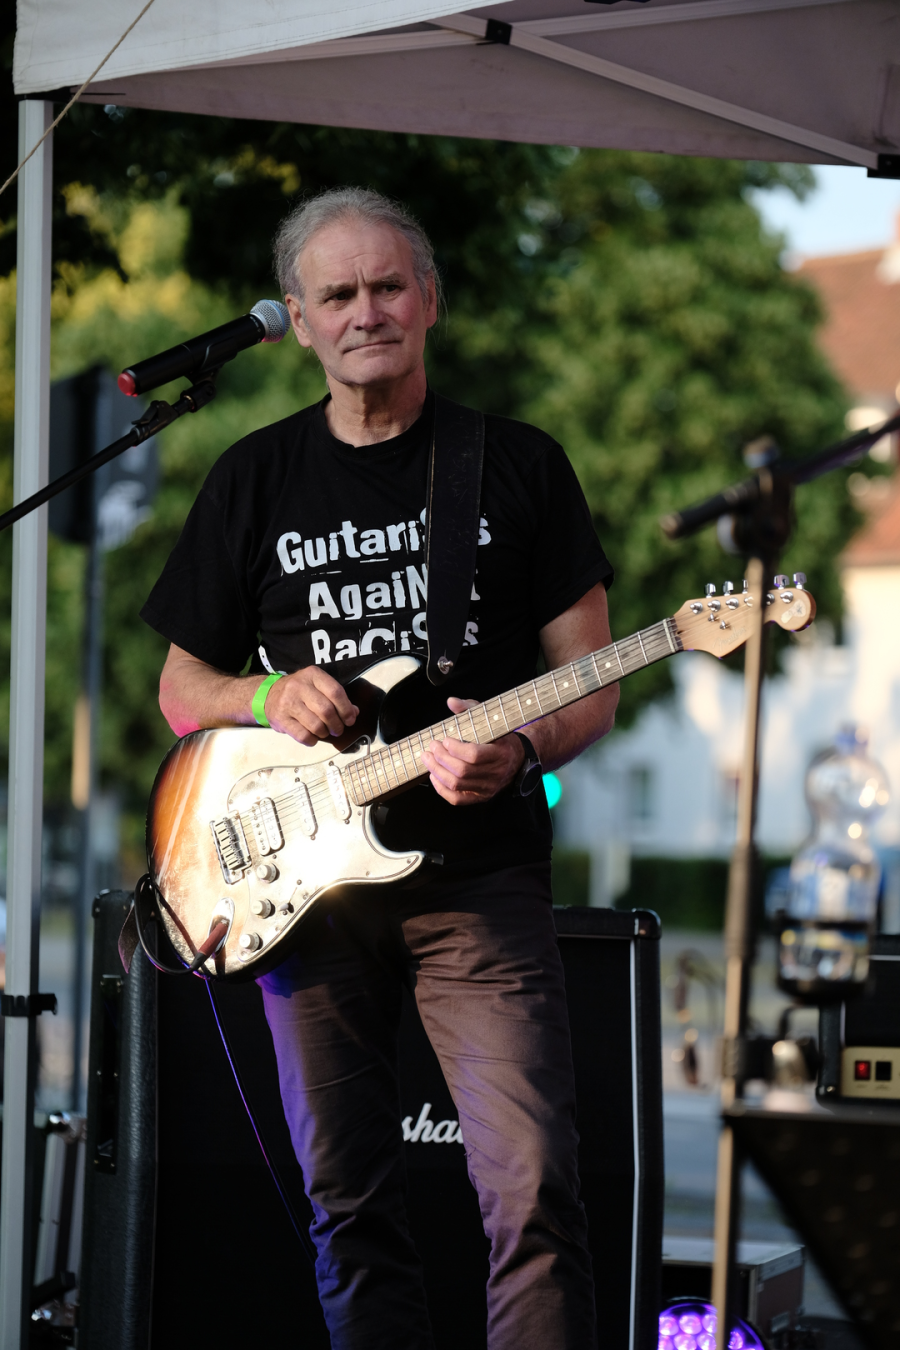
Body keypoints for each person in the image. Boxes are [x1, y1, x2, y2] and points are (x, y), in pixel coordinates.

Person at [141, 187, 619, 1350]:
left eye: (389, 286)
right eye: (340, 293)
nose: (368, 312)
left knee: (533, 1192)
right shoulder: (253, 478)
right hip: (304, 899)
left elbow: (591, 682)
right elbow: (180, 689)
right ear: (298, 319)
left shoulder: (518, 465)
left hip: (479, 884)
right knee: (346, 1207)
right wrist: (266, 697)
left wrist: (519, 748)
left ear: (430, 300)